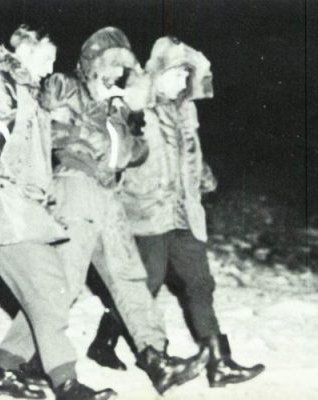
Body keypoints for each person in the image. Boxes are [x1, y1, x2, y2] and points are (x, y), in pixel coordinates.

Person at [86, 36, 265, 388]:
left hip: (184, 214)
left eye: (186, 75)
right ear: (157, 73)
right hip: (148, 213)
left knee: (200, 283)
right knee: (146, 284)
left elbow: (188, 155)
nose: (182, 82)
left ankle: (219, 362)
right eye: (175, 74)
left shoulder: (186, 111)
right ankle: (104, 342)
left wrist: (202, 175)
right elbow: (120, 154)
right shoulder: (137, 107)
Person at [0, 26, 116, 400]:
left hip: (23, 208)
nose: (50, 67)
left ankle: (4, 373)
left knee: (52, 291)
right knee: (50, 292)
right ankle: (66, 384)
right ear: (25, 49)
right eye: (46, 57)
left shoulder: (26, 90)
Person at [38, 27, 205, 396]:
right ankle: (28, 365)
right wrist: (96, 127)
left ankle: (156, 359)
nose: (115, 76)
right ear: (89, 66)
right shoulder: (68, 88)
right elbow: (54, 134)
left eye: (120, 69)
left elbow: (129, 153)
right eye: (108, 67)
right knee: (60, 287)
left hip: (108, 197)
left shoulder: (116, 107)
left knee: (130, 278)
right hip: (74, 192)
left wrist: (133, 137)